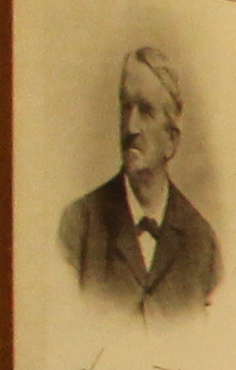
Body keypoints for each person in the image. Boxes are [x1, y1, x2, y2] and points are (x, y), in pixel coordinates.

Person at [54, 45, 223, 317]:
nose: (130, 127)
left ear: (171, 140)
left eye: (145, 111)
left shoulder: (203, 245)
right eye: (126, 107)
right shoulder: (77, 228)